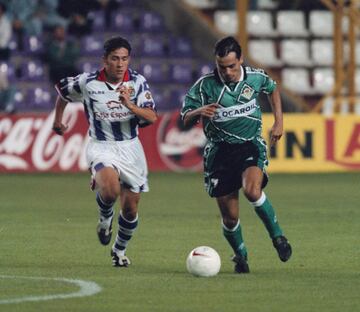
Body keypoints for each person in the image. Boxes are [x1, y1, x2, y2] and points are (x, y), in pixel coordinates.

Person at [181, 36, 292, 273]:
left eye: (232, 66)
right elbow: (184, 119)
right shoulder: (204, 86)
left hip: (249, 145)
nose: (228, 72)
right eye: (222, 67)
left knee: (253, 190)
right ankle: (241, 255)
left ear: (240, 59)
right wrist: (200, 111)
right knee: (230, 218)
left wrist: (279, 122)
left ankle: (278, 238)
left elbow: (273, 89)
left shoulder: (255, 77)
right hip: (219, 152)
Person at [51, 36, 157, 267]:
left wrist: (130, 105)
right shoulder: (87, 82)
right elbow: (62, 91)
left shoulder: (138, 82)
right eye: (115, 59)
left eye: (125, 59)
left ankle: (118, 251)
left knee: (130, 210)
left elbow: (151, 116)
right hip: (101, 146)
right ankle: (105, 218)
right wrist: (58, 121)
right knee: (110, 190)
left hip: (131, 149)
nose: (120, 64)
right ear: (105, 60)